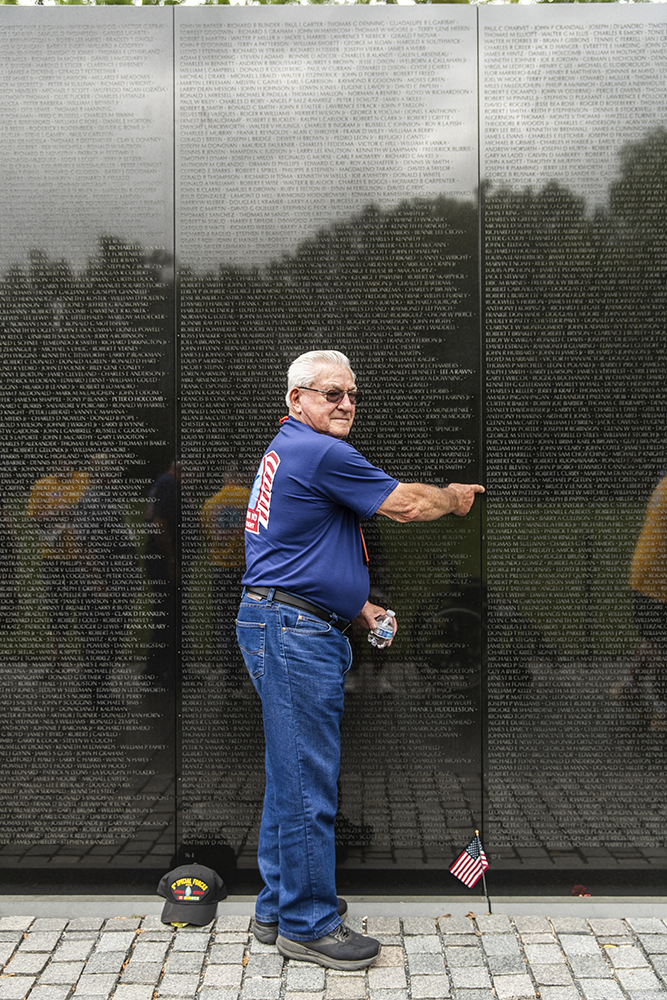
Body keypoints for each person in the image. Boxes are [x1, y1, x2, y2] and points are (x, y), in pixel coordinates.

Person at [236, 350, 484, 971]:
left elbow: (298, 551)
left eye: (350, 394)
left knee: (290, 772)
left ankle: (276, 906)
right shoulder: (320, 452)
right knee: (307, 780)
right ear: (296, 400)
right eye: (329, 394)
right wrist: (453, 498)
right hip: (292, 631)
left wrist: (357, 607)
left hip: (283, 619)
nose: (344, 403)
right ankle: (307, 924)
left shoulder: (287, 449)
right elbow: (406, 505)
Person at [611, 473, 667, 730]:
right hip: (658, 580)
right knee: (661, 648)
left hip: (645, 572)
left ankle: (628, 687)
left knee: (654, 638)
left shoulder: (665, 482)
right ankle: (661, 712)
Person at [26, 453, 90, 664]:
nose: (62, 465)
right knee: (57, 607)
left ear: (72, 461)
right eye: (57, 461)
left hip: (80, 557)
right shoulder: (42, 484)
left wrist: (69, 511)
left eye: (66, 460)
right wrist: (57, 513)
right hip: (52, 557)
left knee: (84, 606)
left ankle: (87, 658)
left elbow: (92, 511)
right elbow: (34, 518)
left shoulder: (84, 480)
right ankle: (57, 658)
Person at [200, 466, 250, 690]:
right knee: (249, 620)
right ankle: (248, 668)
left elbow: (207, 535)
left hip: (221, 567)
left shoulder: (210, 503)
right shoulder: (250, 498)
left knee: (224, 622)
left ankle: (231, 676)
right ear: (239, 478)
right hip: (246, 568)